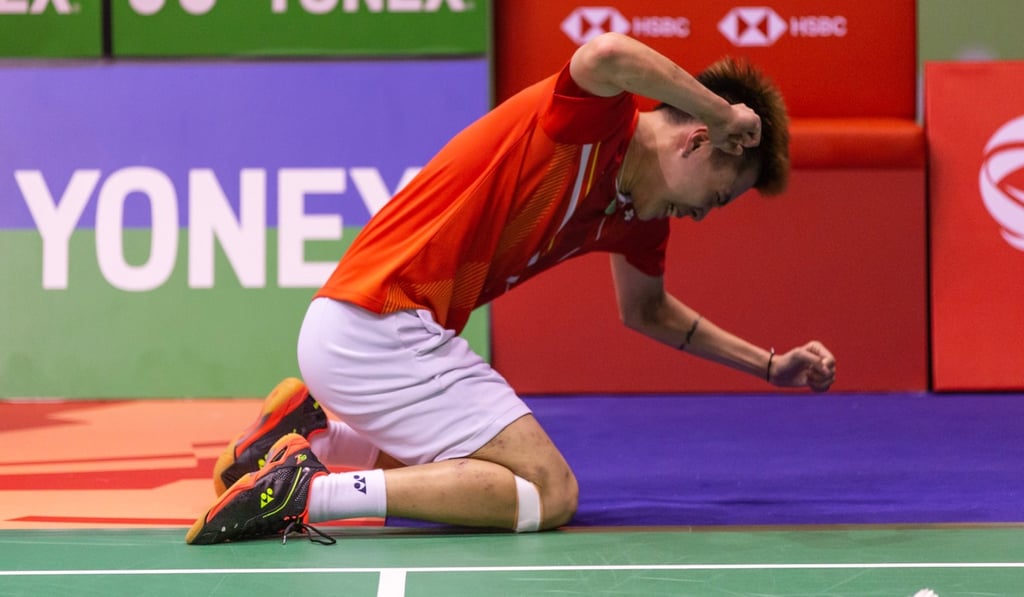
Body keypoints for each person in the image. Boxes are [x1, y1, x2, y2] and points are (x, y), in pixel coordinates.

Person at [186, 32, 837, 545]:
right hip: (381, 323)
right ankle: (307, 490)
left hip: (364, 331)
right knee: (546, 491)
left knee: (480, 478)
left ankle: (304, 442)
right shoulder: (592, 122)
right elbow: (606, 53)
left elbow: (649, 311)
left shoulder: (636, 216)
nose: (702, 215)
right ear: (700, 139)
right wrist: (722, 109)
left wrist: (770, 364)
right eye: (717, 198)